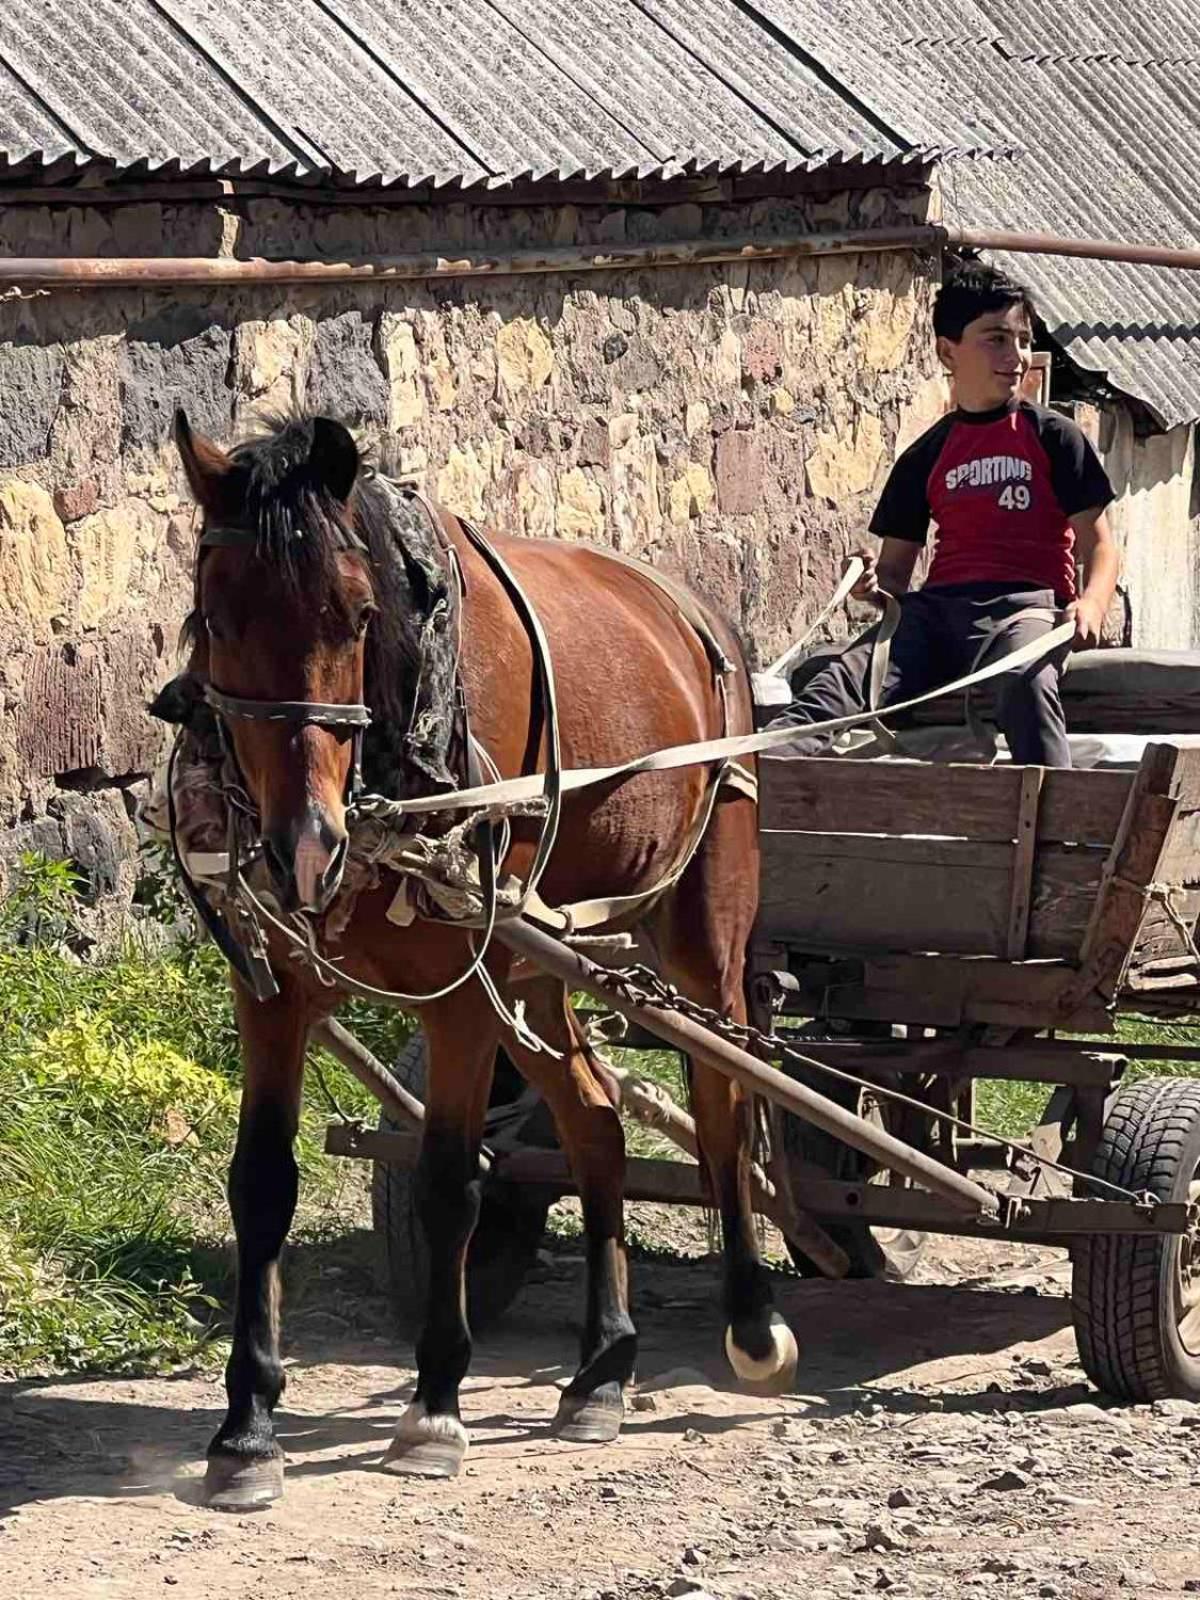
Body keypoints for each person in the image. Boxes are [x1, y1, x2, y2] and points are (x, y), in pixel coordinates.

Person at [771, 262, 1120, 767]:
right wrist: (872, 586)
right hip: (935, 614)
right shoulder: (926, 454)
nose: (1017, 356)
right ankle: (753, 789)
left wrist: (1091, 603)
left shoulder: (1054, 436)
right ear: (946, 350)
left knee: (1024, 684)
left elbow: (1102, 545)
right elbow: (894, 575)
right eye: (996, 339)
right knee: (838, 680)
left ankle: (1057, 821)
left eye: (1022, 340)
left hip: (1026, 610)